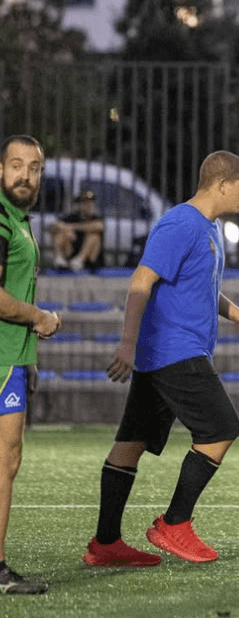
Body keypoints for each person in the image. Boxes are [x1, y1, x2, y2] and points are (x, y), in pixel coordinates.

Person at [82, 151, 239, 567]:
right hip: (174, 351)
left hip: (167, 354)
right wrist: (127, 343)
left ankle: (105, 544)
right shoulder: (180, 222)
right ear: (221, 184)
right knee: (221, 429)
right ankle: (174, 524)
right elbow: (141, 280)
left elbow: (204, 287)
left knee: (129, 446)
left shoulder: (212, 227)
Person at [0, 135, 62, 594]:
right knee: (4, 463)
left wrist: (29, 357)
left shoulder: (19, 220)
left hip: (13, 359)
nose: (25, 175)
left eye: (34, 167)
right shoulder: (1, 221)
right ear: (0, 169)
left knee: (8, 461)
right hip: (2, 358)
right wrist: (40, 318)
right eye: (17, 165)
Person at [51, 189, 105, 272]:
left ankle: (80, 259)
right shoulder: (72, 217)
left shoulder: (96, 218)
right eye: (84, 202)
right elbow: (56, 226)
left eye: (90, 202)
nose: (88, 205)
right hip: (71, 255)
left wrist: (72, 227)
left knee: (94, 236)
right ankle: (60, 258)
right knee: (61, 232)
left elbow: (99, 226)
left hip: (89, 260)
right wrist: (67, 231)